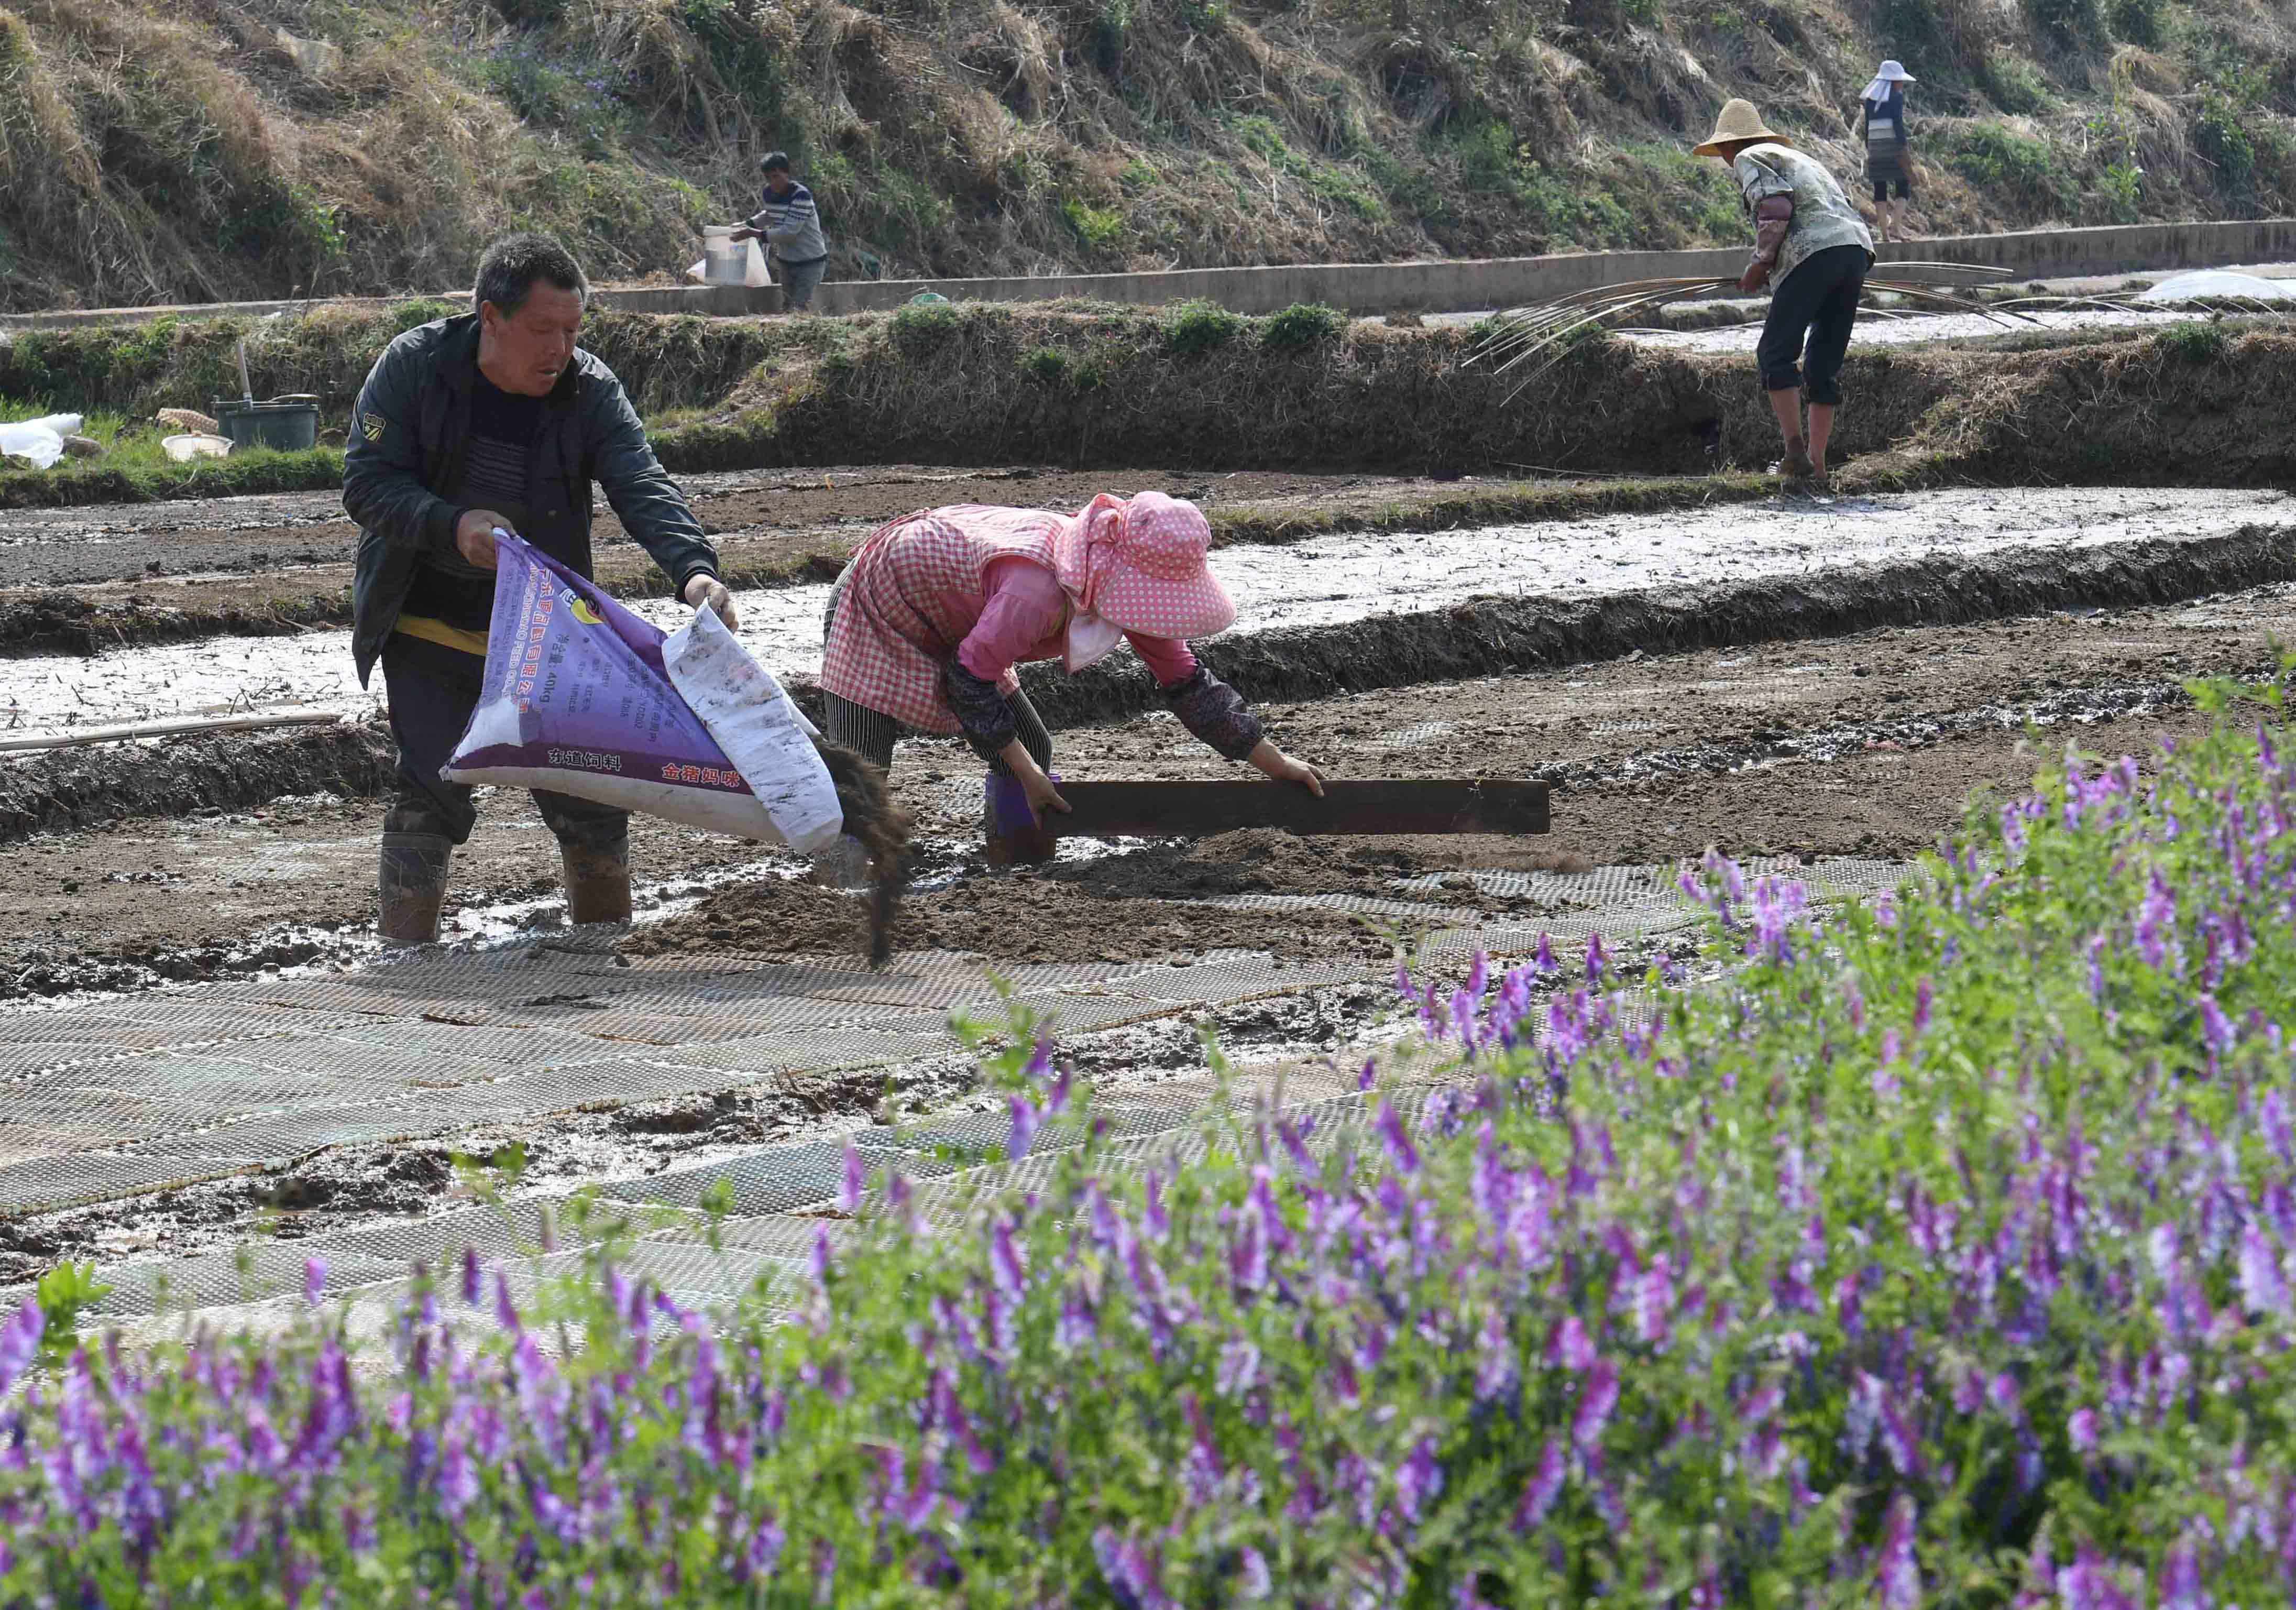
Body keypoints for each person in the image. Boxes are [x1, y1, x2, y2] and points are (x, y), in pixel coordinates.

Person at [343, 234, 742, 946]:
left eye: (572, 330)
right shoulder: (415, 368)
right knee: (426, 801)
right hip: (430, 627)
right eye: (541, 330)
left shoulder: (589, 390)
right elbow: (368, 484)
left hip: (547, 642)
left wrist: (694, 571)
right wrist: (450, 525)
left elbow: (639, 480)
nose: (559, 349)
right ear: (490, 318)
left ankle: (600, 953)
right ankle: (405, 966)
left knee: (592, 801)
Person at [817, 493, 1326, 860]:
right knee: (862, 772)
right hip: (879, 597)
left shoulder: (1126, 591)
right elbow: (969, 682)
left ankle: (1016, 858)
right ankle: (839, 895)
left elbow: (1191, 686)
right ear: (1127, 573)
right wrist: (1027, 775)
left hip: (959, 617)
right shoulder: (1036, 593)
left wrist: (1275, 761)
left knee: (1031, 749)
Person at [1694, 99, 1875, 488]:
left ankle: (1794, 454)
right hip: (1855, 251)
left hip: (1812, 253)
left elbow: (1775, 207)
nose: (1726, 161)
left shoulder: (1748, 156)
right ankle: (1819, 465)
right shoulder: (1797, 158)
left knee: (1774, 353)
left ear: (1729, 146)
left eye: (1723, 153)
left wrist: (1759, 263)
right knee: (1822, 364)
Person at [730, 152, 830, 313]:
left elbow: (789, 233)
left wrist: (754, 233)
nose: (773, 182)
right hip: (786, 261)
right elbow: (770, 214)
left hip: (810, 261)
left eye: (776, 176)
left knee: (798, 308)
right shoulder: (769, 193)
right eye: (768, 178)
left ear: (787, 173)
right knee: (787, 306)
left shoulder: (800, 196)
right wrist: (747, 224)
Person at [1860, 60, 1917, 244]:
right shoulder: (1896, 97)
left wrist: (1869, 147)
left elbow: (1867, 126)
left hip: (1875, 147)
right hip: (1893, 145)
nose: (1901, 84)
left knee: (1880, 189)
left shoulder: (1870, 99)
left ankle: (1884, 234)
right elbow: (1898, 124)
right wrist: (1903, 146)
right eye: (1899, 81)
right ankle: (1896, 227)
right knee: (1903, 184)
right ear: (1893, 82)